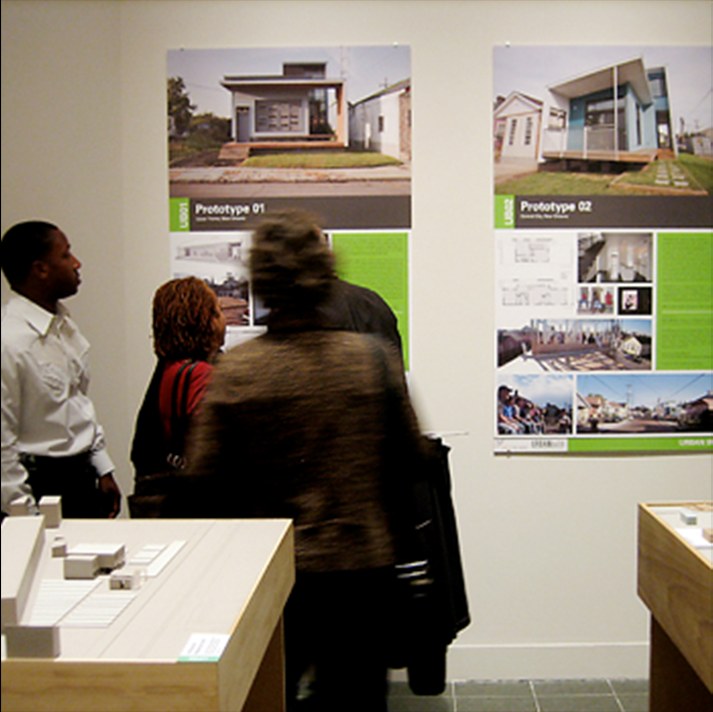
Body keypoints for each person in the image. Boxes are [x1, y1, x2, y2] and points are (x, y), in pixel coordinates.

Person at [179, 210, 426, 712]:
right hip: (362, 571)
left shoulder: (238, 372)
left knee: (269, 697)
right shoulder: (370, 359)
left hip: (269, 579)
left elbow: (204, 481)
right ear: (324, 273)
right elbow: (410, 458)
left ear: (261, 282)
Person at [1, 220, 121, 519]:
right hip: (39, 484)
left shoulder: (64, 328)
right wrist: (25, 517)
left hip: (79, 478)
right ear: (40, 269)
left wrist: (102, 467)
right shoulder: (10, 341)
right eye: (66, 255)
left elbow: (77, 403)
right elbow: (2, 442)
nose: (77, 263)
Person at [128, 276, 225, 517]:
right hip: (192, 504)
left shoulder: (167, 368)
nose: (224, 320)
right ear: (204, 321)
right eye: (218, 312)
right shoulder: (199, 374)